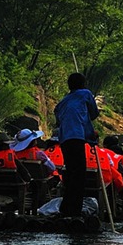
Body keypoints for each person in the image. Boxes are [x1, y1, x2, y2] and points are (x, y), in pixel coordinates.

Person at [54, 72, 99, 217]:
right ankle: (75, 210)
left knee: (71, 173)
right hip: (76, 137)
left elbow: (58, 116)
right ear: (83, 84)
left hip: (65, 139)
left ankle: (66, 208)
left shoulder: (64, 101)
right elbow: (94, 113)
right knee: (79, 175)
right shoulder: (85, 93)